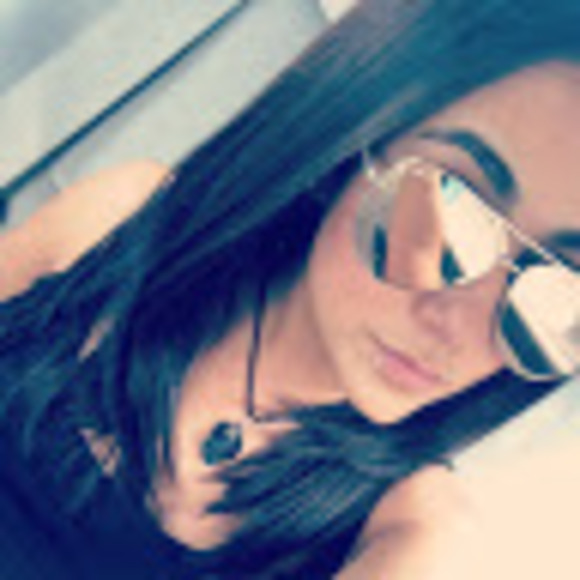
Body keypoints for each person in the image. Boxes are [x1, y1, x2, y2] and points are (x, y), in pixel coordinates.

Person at [0, 0, 579, 577]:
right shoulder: (121, 221)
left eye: (563, 288)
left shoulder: (410, 531)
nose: (460, 326)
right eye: (451, 212)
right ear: (351, 141)